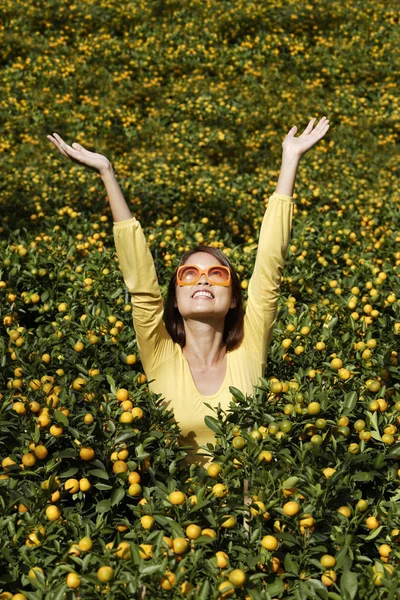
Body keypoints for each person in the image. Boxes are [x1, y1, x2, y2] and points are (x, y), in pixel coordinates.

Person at [47, 116, 329, 469]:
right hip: (176, 518)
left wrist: (290, 161)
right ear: (175, 298)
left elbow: (269, 268)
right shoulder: (161, 351)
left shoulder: (250, 345)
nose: (203, 281)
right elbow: (142, 286)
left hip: (248, 519)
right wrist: (107, 173)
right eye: (189, 274)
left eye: (217, 274)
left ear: (235, 299)